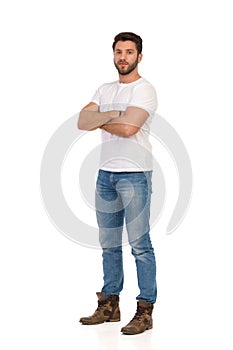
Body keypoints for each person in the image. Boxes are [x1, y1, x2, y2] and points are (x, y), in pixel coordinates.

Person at [78, 32, 158, 335]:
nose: (122, 57)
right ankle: (109, 305)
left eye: (129, 51)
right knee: (108, 245)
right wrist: (113, 113)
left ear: (139, 56)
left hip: (135, 174)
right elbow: (81, 121)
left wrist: (100, 117)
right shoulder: (104, 88)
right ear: (113, 55)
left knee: (140, 245)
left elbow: (128, 128)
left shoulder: (145, 90)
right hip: (105, 175)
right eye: (118, 52)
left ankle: (145, 310)